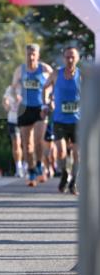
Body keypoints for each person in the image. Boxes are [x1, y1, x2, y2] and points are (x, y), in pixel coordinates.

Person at [10, 43, 53, 187]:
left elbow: (55, 82)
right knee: (27, 145)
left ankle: (40, 164)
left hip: (40, 108)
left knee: (39, 141)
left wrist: (48, 98)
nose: (31, 56)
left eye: (34, 54)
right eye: (29, 54)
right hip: (25, 108)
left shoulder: (45, 68)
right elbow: (13, 86)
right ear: (26, 54)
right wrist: (16, 95)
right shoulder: (20, 70)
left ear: (38, 55)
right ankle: (31, 169)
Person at [43, 45, 81, 196]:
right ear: (63, 58)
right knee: (61, 152)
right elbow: (45, 88)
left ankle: (74, 183)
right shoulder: (55, 74)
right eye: (67, 57)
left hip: (78, 120)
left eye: (73, 57)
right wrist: (46, 103)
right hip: (59, 120)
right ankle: (64, 176)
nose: (70, 59)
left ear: (77, 58)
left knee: (78, 154)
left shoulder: (82, 75)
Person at [2, 83, 24, 177]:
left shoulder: (26, 88)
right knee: (16, 143)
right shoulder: (10, 88)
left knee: (27, 144)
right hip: (13, 120)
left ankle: (28, 165)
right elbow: (4, 100)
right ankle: (18, 167)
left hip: (25, 119)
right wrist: (6, 105)